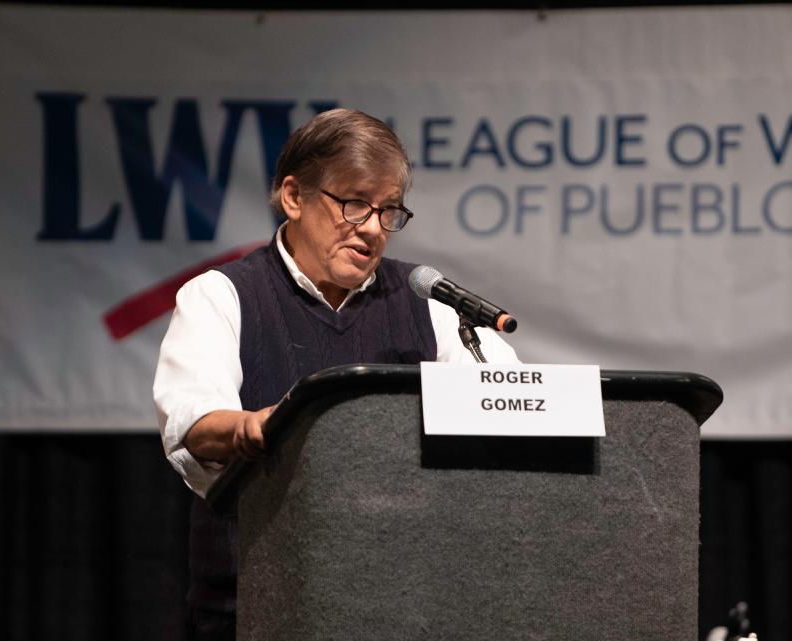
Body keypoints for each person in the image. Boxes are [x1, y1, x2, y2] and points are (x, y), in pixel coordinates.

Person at [153, 108, 518, 640]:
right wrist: (254, 427)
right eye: (353, 204)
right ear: (295, 197)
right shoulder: (222, 295)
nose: (372, 228)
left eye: (388, 210)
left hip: (408, 611)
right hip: (257, 607)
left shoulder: (430, 306)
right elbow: (191, 421)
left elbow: (517, 404)